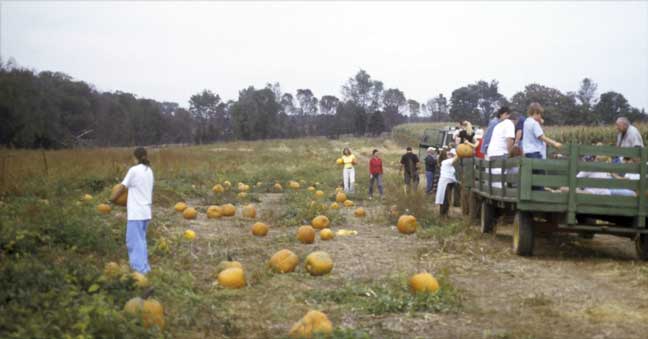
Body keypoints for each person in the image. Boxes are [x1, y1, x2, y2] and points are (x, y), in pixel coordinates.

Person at [110, 147, 154, 274]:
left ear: (135, 158)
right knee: (141, 241)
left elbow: (121, 187)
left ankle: (139, 271)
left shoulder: (133, 170)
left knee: (133, 242)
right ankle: (145, 268)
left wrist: (112, 199)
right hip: (146, 212)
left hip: (136, 213)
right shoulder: (149, 171)